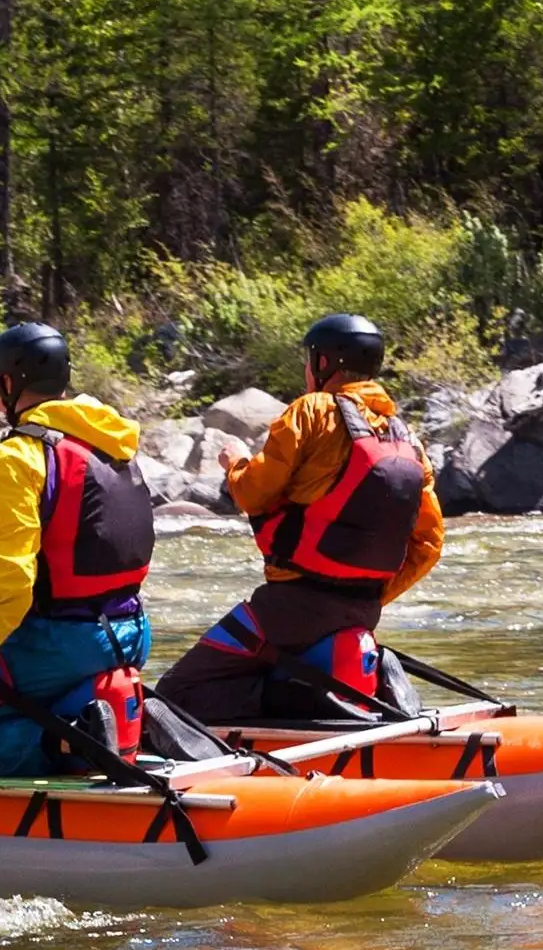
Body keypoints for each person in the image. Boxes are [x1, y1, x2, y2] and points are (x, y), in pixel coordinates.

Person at [162, 309, 445, 728]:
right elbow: (428, 545)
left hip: (286, 610)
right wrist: (370, 596)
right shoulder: (407, 438)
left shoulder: (310, 412)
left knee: (172, 696)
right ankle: (361, 681)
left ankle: (306, 699)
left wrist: (235, 463)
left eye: (310, 359)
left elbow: (255, 493)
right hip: (363, 610)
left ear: (325, 363)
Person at [0, 321, 155, 779]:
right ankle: (110, 721)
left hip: (62, 643)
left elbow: (16, 583)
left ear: (8, 383)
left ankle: (67, 742)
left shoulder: (18, 456)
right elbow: (76, 545)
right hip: (130, 632)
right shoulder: (112, 445)